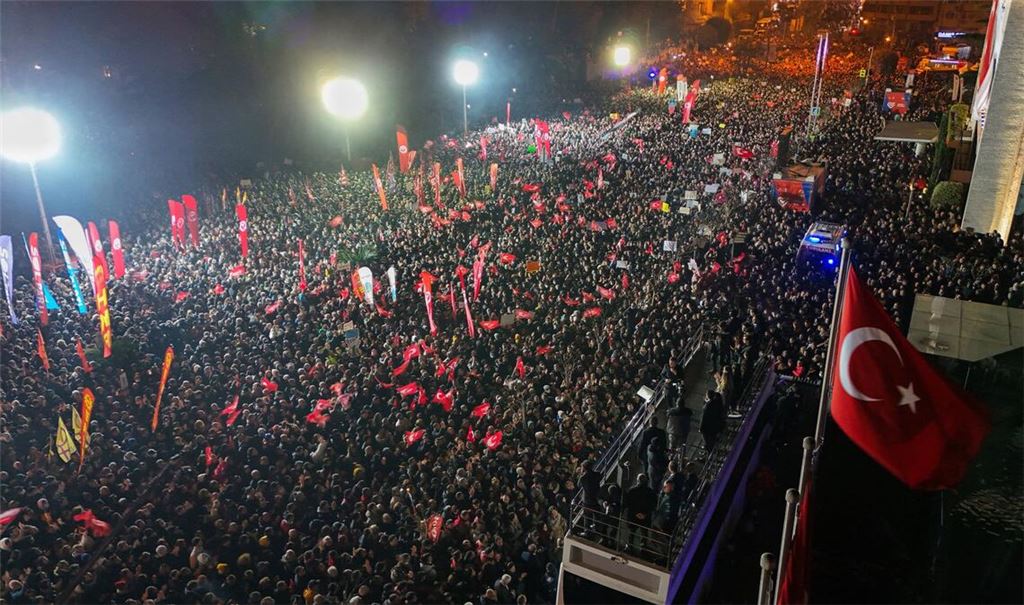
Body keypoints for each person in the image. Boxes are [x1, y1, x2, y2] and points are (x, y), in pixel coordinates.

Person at [624, 474, 657, 551]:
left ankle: (629, 546)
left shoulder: (631, 490)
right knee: (644, 533)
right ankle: (643, 547)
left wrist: (636, 513)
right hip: (645, 517)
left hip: (633, 516)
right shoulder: (651, 492)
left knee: (631, 532)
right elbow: (653, 505)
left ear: (637, 480)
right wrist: (645, 514)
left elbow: (628, 504)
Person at [700, 389, 727, 454]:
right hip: (715, 426)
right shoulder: (717, 403)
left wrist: (701, 428)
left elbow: (703, 418)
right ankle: (711, 452)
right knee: (713, 441)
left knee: (708, 443)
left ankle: (709, 454)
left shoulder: (707, 406)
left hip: (707, 428)